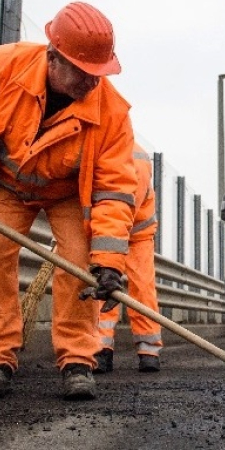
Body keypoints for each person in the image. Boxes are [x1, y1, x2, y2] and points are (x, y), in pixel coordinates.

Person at [0, 1, 138, 401]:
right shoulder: (4, 67)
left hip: (68, 194)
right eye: (84, 72)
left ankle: (77, 361)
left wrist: (108, 263)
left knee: (79, 268)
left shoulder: (112, 112)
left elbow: (114, 191)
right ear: (52, 57)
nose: (93, 82)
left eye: (99, 73)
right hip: (8, 184)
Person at [94, 142, 163, 374]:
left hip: (136, 232)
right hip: (110, 227)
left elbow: (123, 202)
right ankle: (101, 348)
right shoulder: (103, 147)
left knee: (141, 288)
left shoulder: (131, 156)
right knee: (104, 285)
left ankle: (148, 350)